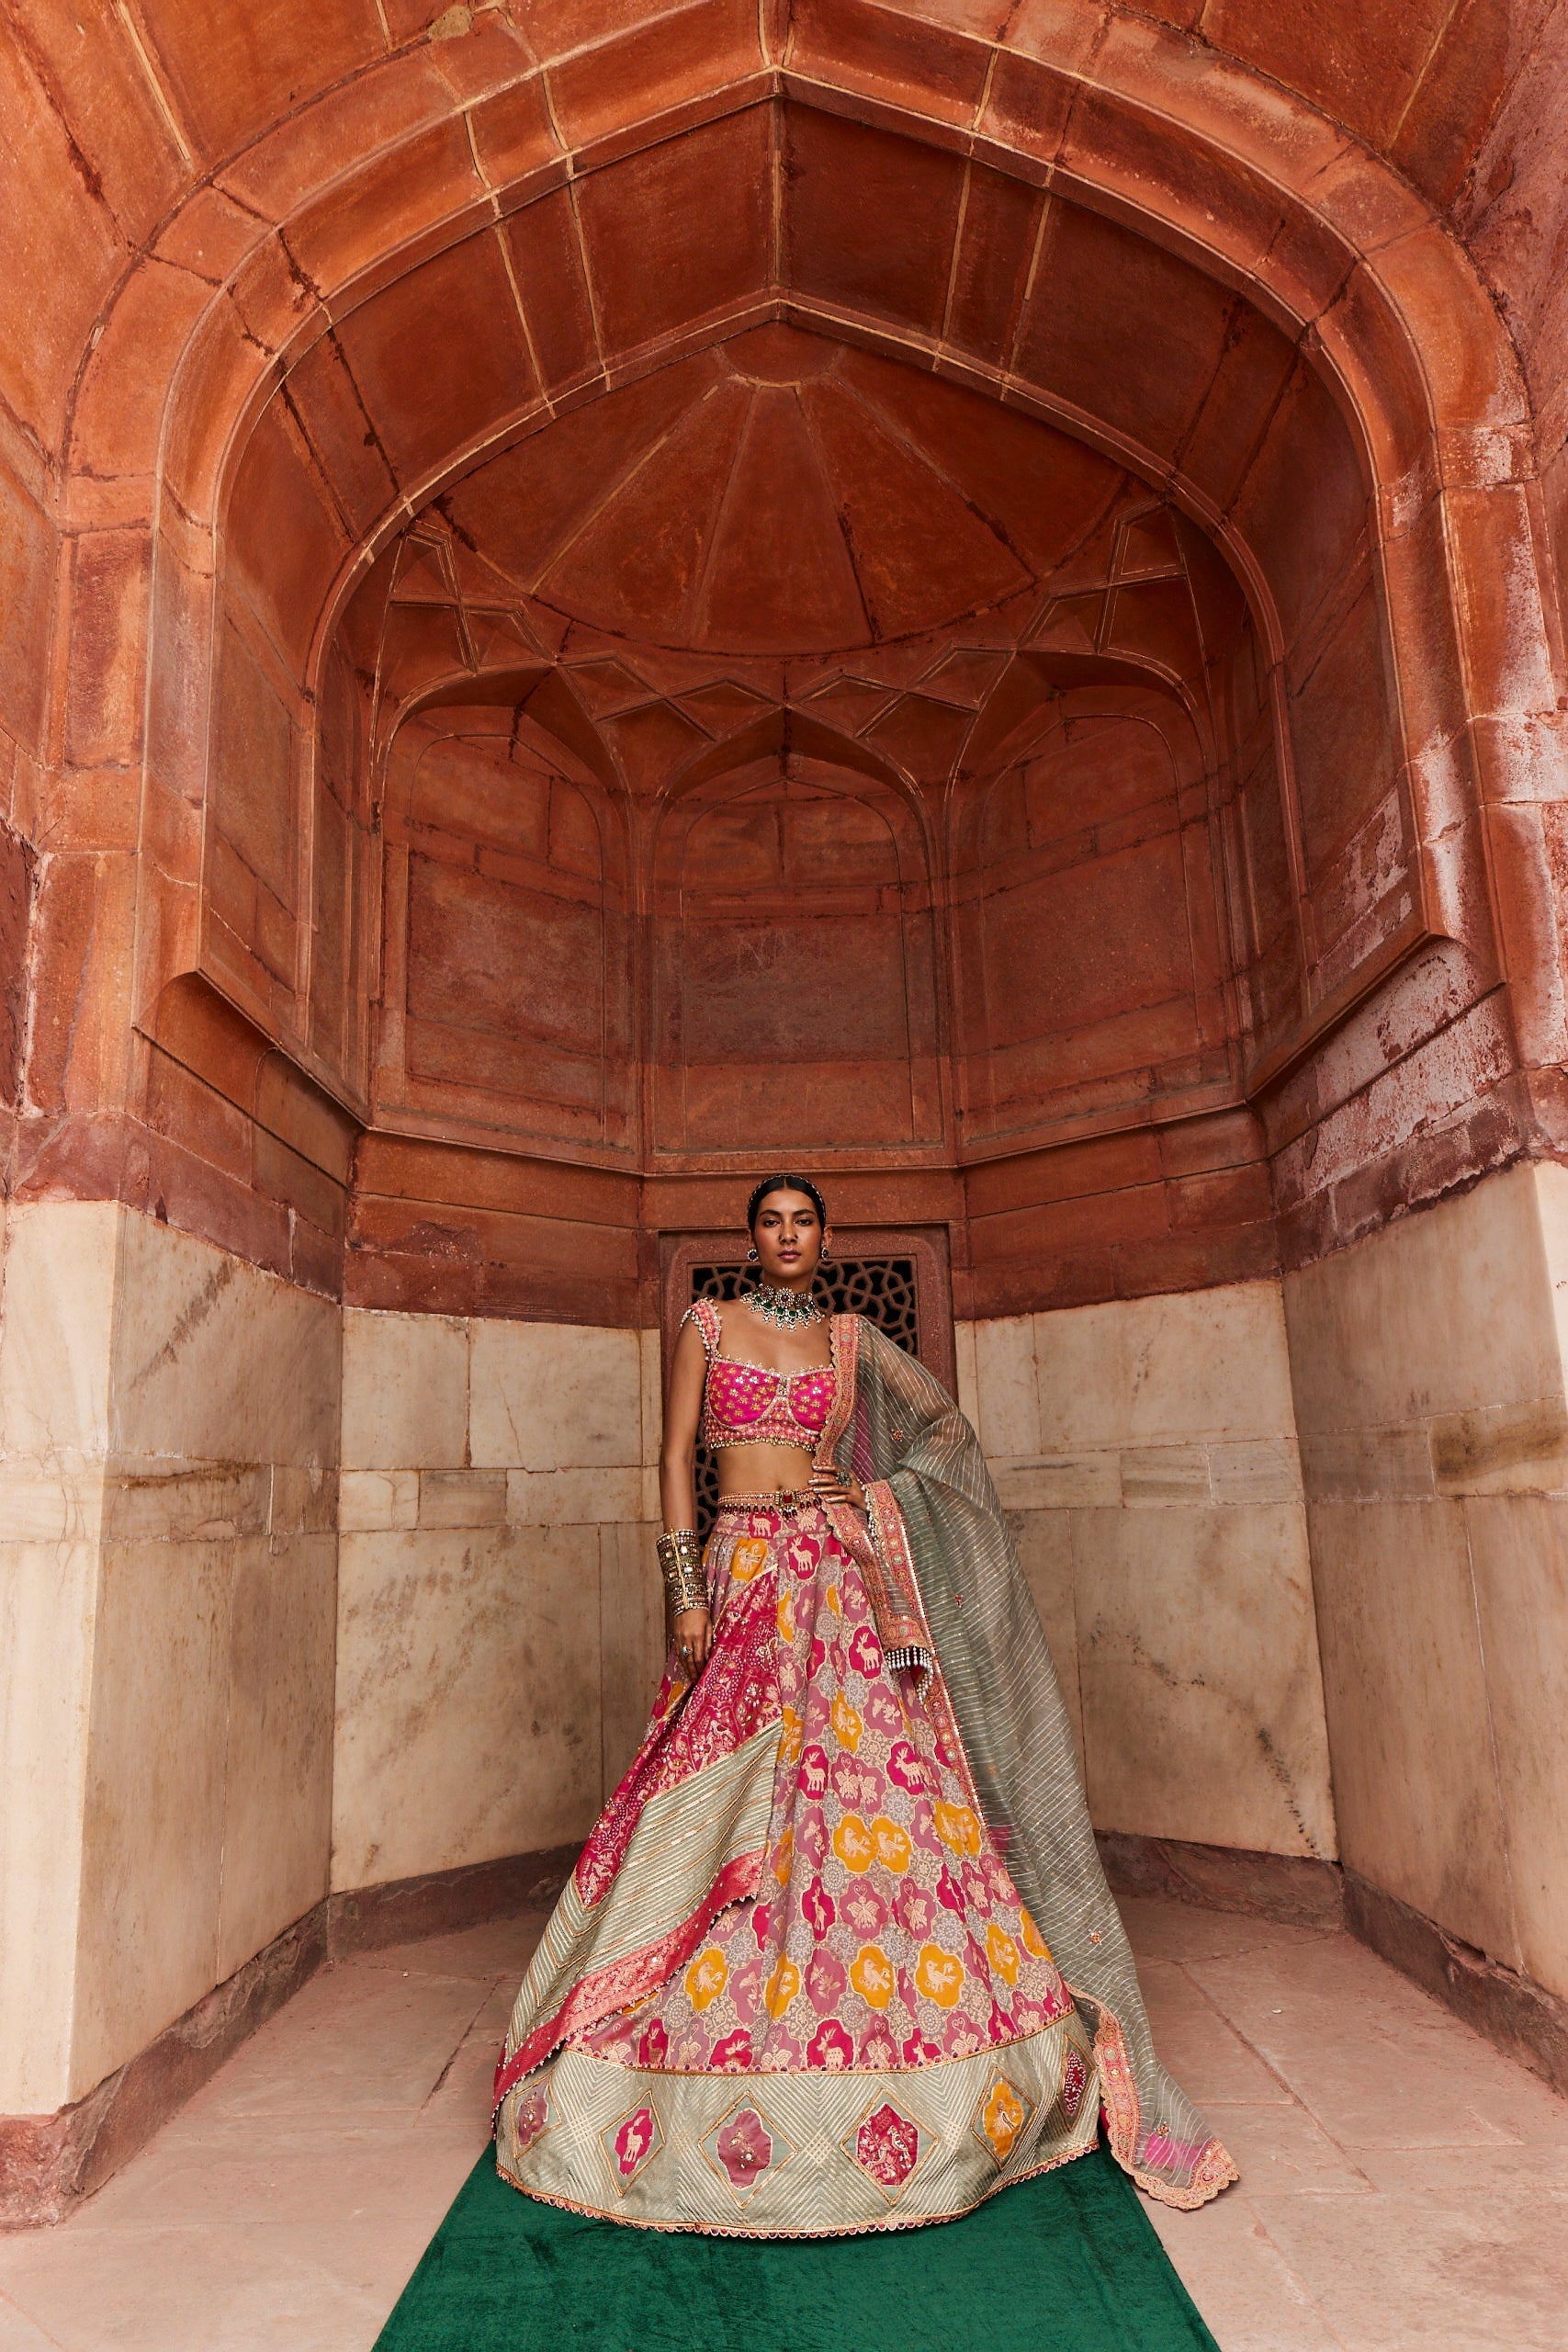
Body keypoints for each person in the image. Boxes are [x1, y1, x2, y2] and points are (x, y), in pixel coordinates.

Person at [492, 1175, 1236, 2233]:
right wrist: (683, 1587)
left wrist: (869, 1497)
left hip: (837, 1584)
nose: (788, 1235)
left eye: (803, 1221)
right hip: (741, 1574)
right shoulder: (709, 1324)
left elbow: (946, 1440)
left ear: (826, 1237)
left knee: (867, 1802)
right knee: (712, 1798)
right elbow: (670, 1456)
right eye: (771, 1221)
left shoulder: (851, 1342)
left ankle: (928, 2056)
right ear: (751, 1238)